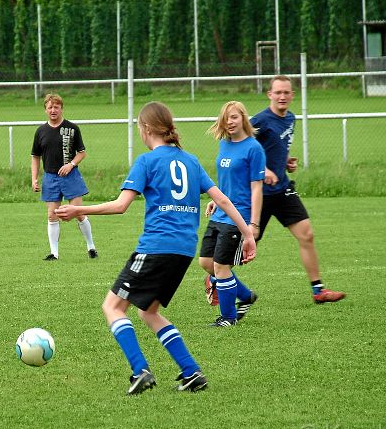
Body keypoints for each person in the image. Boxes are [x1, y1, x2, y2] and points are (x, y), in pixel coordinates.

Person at [55, 102, 256, 395]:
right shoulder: (190, 160)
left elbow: (120, 206)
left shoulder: (147, 162)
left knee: (112, 306)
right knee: (149, 312)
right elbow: (223, 201)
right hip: (184, 250)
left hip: (156, 246)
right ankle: (191, 373)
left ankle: (140, 370)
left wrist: (78, 210)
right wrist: (247, 233)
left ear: (146, 128)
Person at [250, 75, 345, 303]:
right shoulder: (259, 121)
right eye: (278, 92)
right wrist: (263, 169)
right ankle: (217, 276)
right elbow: (239, 148)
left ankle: (318, 290)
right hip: (259, 194)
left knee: (307, 235)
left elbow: (274, 148)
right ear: (269, 95)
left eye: (287, 92)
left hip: (282, 189)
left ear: (292, 95)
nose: (282, 96)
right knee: (248, 246)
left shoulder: (290, 118)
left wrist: (284, 162)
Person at [199, 101, 266, 327]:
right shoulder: (224, 145)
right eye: (226, 118)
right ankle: (246, 296)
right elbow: (228, 180)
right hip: (221, 212)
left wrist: (253, 224)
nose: (229, 122)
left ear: (243, 119)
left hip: (240, 216)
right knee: (206, 262)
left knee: (221, 265)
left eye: (234, 117)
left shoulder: (254, 148)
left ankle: (228, 318)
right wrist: (215, 200)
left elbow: (257, 188)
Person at [31, 93, 97, 261]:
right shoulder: (40, 131)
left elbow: (82, 153)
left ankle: (91, 247)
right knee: (52, 215)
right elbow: (35, 157)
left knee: (78, 213)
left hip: (71, 176)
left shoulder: (72, 128)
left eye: (56, 107)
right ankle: (54, 253)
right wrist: (34, 178)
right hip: (50, 178)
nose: (53, 110)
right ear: (45, 110)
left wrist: (71, 165)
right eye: (50, 107)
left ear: (61, 108)